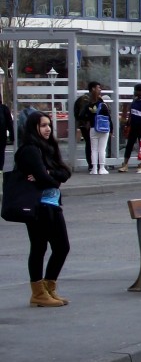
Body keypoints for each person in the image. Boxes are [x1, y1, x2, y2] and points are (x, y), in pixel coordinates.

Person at [14, 110, 73, 307]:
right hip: (38, 205)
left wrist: (50, 173)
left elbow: (65, 172)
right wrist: (50, 176)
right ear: (34, 128)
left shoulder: (49, 147)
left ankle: (49, 287)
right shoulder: (29, 150)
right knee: (39, 247)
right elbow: (47, 179)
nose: (48, 129)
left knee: (62, 247)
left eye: (49, 125)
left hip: (53, 204)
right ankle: (38, 293)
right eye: (43, 125)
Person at [118, 84, 141, 173]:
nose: (134, 92)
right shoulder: (134, 101)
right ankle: (125, 164)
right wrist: (128, 123)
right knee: (129, 145)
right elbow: (131, 114)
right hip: (133, 127)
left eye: (136, 90)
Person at [85, 82, 111, 175]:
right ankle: (102, 168)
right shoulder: (102, 103)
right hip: (103, 129)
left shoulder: (89, 104)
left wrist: (89, 121)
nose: (100, 89)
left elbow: (83, 115)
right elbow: (108, 117)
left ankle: (94, 169)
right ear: (93, 89)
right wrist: (111, 129)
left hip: (93, 128)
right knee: (102, 149)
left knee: (94, 150)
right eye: (98, 88)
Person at [73, 88, 94, 172]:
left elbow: (77, 114)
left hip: (83, 125)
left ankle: (91, 164)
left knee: (88, 143)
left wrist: (80, 123)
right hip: (88, 125)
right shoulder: (89, 100)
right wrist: (87, 121)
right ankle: (93, 164)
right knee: (92, 144)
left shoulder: (80, 99)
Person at [0, 97, 13, 171]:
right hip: (1, 136)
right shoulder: (4, 108)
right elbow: (10, 123)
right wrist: (12, 136)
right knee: (1, 155)